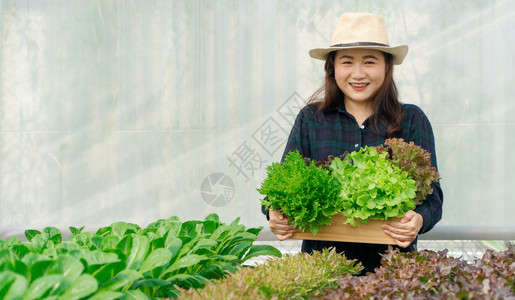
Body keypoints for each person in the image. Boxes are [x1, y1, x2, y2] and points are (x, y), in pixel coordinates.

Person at [261, 12, 443, 275]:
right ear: (332, 68)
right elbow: (279, 188)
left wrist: (419, 219)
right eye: (347, 62)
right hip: (322, 271)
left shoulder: (412, 120)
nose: (358, 74)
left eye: (370, 62)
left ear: (387, 67)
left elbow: (433, 196)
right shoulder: (312, 120)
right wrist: (274, 212)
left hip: (392, 272)